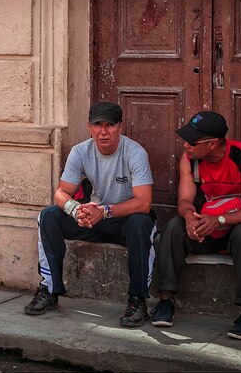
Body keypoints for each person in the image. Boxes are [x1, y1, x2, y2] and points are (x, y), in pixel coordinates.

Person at [24, 101, 156, 328]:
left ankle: (138, 300)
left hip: (122, 220)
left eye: (110, 125)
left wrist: (106, 211)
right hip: (93, 218)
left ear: (120, 127)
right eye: (97, 125)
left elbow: (144, 203)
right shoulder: (80, 151)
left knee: (141, 222)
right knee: (49, 216)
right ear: (89, 127)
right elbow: (61, 193)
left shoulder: (135, 153)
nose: (103, 132)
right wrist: (76, 210)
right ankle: (49, 289)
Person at [150, 111, 241, 340]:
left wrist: (219, 220)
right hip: (210, 221)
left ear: (212, 143)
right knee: (173, 228)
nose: (186, 145)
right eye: (186, 140)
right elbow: (185, 200)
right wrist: (190, 217)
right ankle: (165, 300)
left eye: (193, 142)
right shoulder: (189, 158)